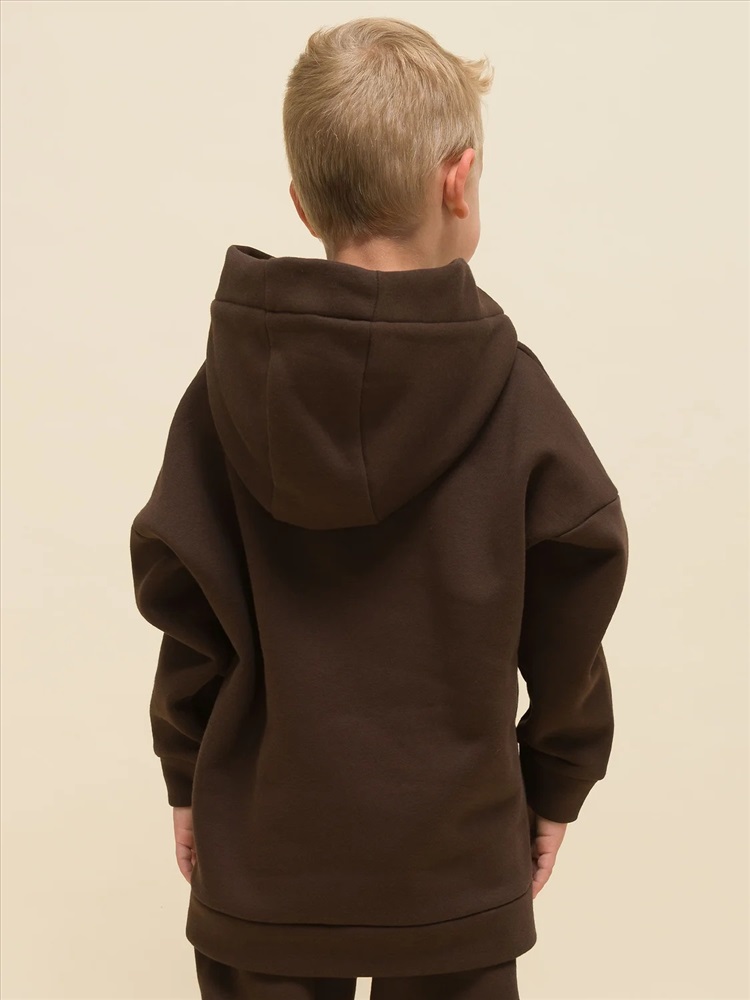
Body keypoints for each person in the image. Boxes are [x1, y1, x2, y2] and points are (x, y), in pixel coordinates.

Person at [129, 16, 629, 1000]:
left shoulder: (225, 390)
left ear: (302, 201)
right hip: (455, 859)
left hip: (265, 854)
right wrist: (558, 774)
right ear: (459, 179)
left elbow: (186, 600)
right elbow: (574, 596)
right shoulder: (515, 395)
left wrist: (187, 771)